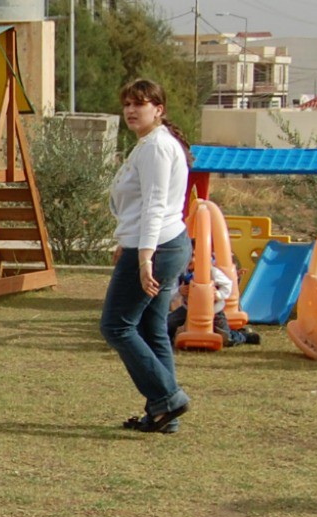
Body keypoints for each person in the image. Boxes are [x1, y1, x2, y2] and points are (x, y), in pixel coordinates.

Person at [101, 78, 192, 436]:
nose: (130, 110)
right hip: (158, 243)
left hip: (156, 247)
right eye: (126, 103)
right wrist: (127, 241)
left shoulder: (156, 147)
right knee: (152, 330)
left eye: (140, 103)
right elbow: (142, 206)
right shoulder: (151, 144)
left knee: (116, 325)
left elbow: (156, 206)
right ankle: (165, 414)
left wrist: (143, 259)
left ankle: (167, 398)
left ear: (159, 109)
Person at [167, 264, 260, 347]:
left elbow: (227, 284)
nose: (192, 259)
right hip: (188, 308)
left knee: (226, 337)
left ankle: (242, 335)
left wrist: (218, 294)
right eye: (190, 256)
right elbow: (170, 290)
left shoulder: (212, 271)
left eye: (195, 256)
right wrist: (180, 290)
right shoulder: (182, 271)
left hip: (214, 310)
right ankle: (167, 341)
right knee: (168, 323)